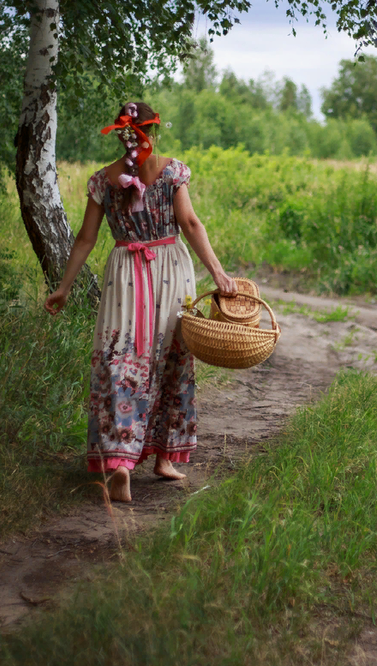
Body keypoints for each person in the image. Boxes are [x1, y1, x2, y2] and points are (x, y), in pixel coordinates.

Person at [45, 101, 236, 501]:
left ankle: (121, 462)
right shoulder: (172, 171)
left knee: (120, 358)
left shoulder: (102, 180)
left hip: (125, 272)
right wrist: (218, 272)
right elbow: (190, 223)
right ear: (156, 128)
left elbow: (85, 238)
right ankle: (164, 457)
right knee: (171, 358)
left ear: (121, 133)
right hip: (170, 269)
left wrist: (63, 288)